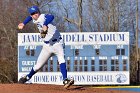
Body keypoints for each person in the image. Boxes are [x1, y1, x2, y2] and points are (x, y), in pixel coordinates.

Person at [18, 5, 74, 88]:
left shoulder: (43, 17)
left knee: (61, 60)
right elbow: (30, 18)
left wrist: (45, 24)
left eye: (36, 12)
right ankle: (27, 77)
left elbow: (52, 16)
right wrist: (24, 23)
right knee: (38, 66)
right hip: (47, 46)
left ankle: (65, 80)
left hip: (57, 43)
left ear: (39, 12)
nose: (35, 15)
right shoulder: (33, 18)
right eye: (33, 14)